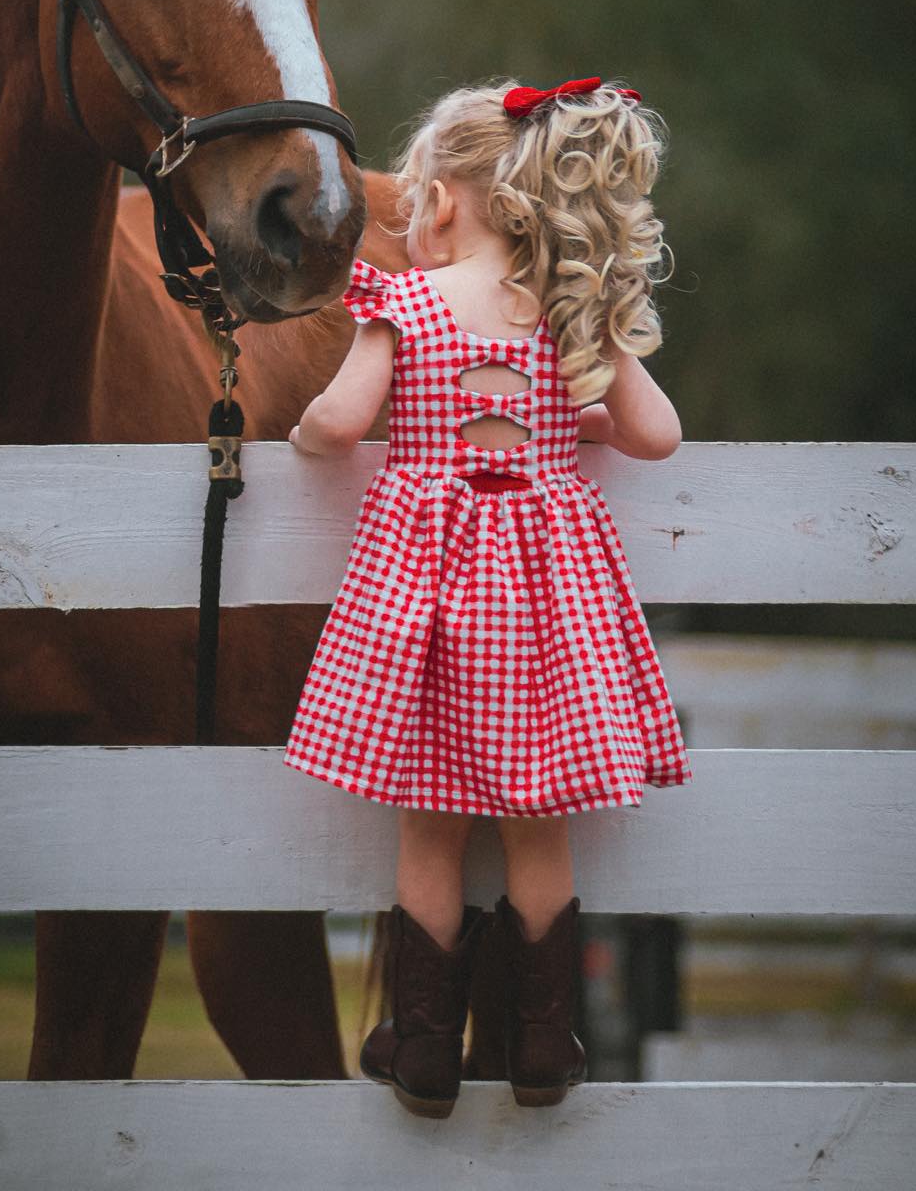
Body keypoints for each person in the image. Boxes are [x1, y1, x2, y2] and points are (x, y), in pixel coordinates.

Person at [282, 75, 692, 1119]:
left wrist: (305, 437)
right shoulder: (570, 308)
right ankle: (543, 1041)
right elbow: (655, 437)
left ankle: (421, 1047)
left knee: (428, 828)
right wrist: (575, 423)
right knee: (537, 826)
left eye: (417, 191)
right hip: (546, 605)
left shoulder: (403, 302)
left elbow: (336, 422)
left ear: (451, 196)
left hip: (427, 592)